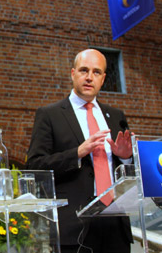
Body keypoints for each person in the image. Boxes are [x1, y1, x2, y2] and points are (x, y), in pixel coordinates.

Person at [26, 49, 133, 253]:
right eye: (84, 70)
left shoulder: (116, 116)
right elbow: (34, 166)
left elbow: (128, 171)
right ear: (73, 73)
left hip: (115, 221)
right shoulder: (50, 115)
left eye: (96, 72)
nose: (89, 77)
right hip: (74, 225)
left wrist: (126, 158)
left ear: (103, 79)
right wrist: (77, 152)